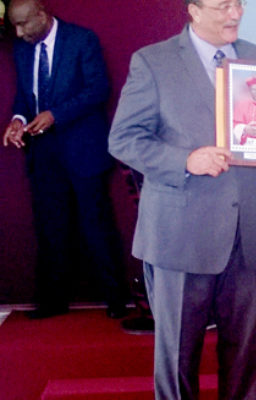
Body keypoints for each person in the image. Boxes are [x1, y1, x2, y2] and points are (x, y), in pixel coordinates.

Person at [108, 0, 256, 399]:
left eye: (239, 3)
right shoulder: (152, 62)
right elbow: (122, 140)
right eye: (223, 5)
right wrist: (185, 160)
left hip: (247, 233)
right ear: (193, 10)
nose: (235, 13)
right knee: (178, 359)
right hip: (180, 234)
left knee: (248, 359)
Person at [3, 0, 129, 320]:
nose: (19, 33)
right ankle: (53, 303)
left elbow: (99, 89)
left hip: (83, 150)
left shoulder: (82, 39)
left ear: (42, 15)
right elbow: (24, 95)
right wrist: (18, 119)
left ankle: (116, 300)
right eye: (14, 26)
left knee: (95, 225)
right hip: (42, 153)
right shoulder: (22, 48)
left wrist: (55, 115)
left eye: (23, 24)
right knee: (50, 228)